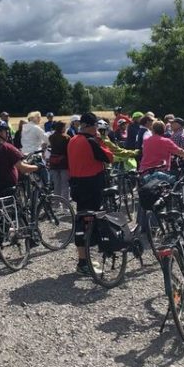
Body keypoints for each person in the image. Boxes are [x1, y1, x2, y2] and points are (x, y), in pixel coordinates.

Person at [0, 121, 39, 261]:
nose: (7, 133)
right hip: (5, 188)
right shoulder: (6, 147)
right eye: (5, 131)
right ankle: (27, 240)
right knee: (13, 215)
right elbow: (22, 167)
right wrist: (37, 167)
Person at [68, 113, 113, 275]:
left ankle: (84, 258)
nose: (97, 129)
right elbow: (109, 157)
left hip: (76, 184)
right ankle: (83, 262)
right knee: (89, 222)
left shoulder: (72, 140)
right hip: (91, 185)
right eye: (95, 126)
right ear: (89, 126)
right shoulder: (92, 141)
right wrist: (101, 140)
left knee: (81, 220)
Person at [47, 121, 70, 200]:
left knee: (57, 185)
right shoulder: (66, 137)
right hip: (63, 163)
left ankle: (57, 204)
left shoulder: (51, 137)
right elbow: (68, 151)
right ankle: (66, 205)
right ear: (62, 127)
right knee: (65, 185)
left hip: (53, 164)